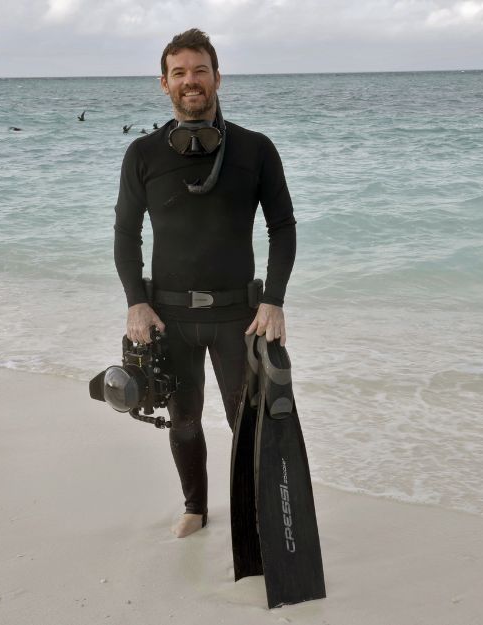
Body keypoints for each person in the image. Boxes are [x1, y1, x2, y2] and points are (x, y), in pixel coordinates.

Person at [113, 28, 297, 538]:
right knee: (185, 420)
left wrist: (275, 301)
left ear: (218, 77)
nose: (190, 81)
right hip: (170, 315)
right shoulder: (143, 154)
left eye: (199, 70)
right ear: (164, 84)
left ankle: (255, 516)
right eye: (179, 72)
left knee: (249, 427)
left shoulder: (256, 150)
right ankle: (195, 507)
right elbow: (126, 234)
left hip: (239, 314)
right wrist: (136, 303)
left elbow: (282, 226)